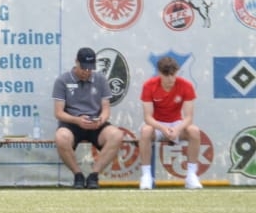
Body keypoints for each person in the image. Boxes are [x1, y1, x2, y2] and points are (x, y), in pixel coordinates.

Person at [52, 46, 121, 189]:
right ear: (76, 62)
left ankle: (94, 175)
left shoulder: (101, 79)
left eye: (90, 68)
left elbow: (106, 109)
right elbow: (58, 113)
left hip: (95, 123)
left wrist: (101, 120)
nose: (87, 72)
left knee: (117, 135)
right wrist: (77, 120)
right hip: (72, 123)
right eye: (83, 68)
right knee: (60, 137)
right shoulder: (62, 80)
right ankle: (78, 175)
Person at [136, 56, 204, 191]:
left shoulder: (186, 86)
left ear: (177, 72)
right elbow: (148, 117)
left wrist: (177, 129)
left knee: (194, 131)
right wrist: (163, 128)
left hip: (176, 123)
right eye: (166, 75)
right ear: (159, 73)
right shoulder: (149, 86)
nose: (170, 79)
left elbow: (188, 118)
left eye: (173, 74)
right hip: (156, 124)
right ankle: (146, 176)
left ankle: (191, 176)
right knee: (145, 131)